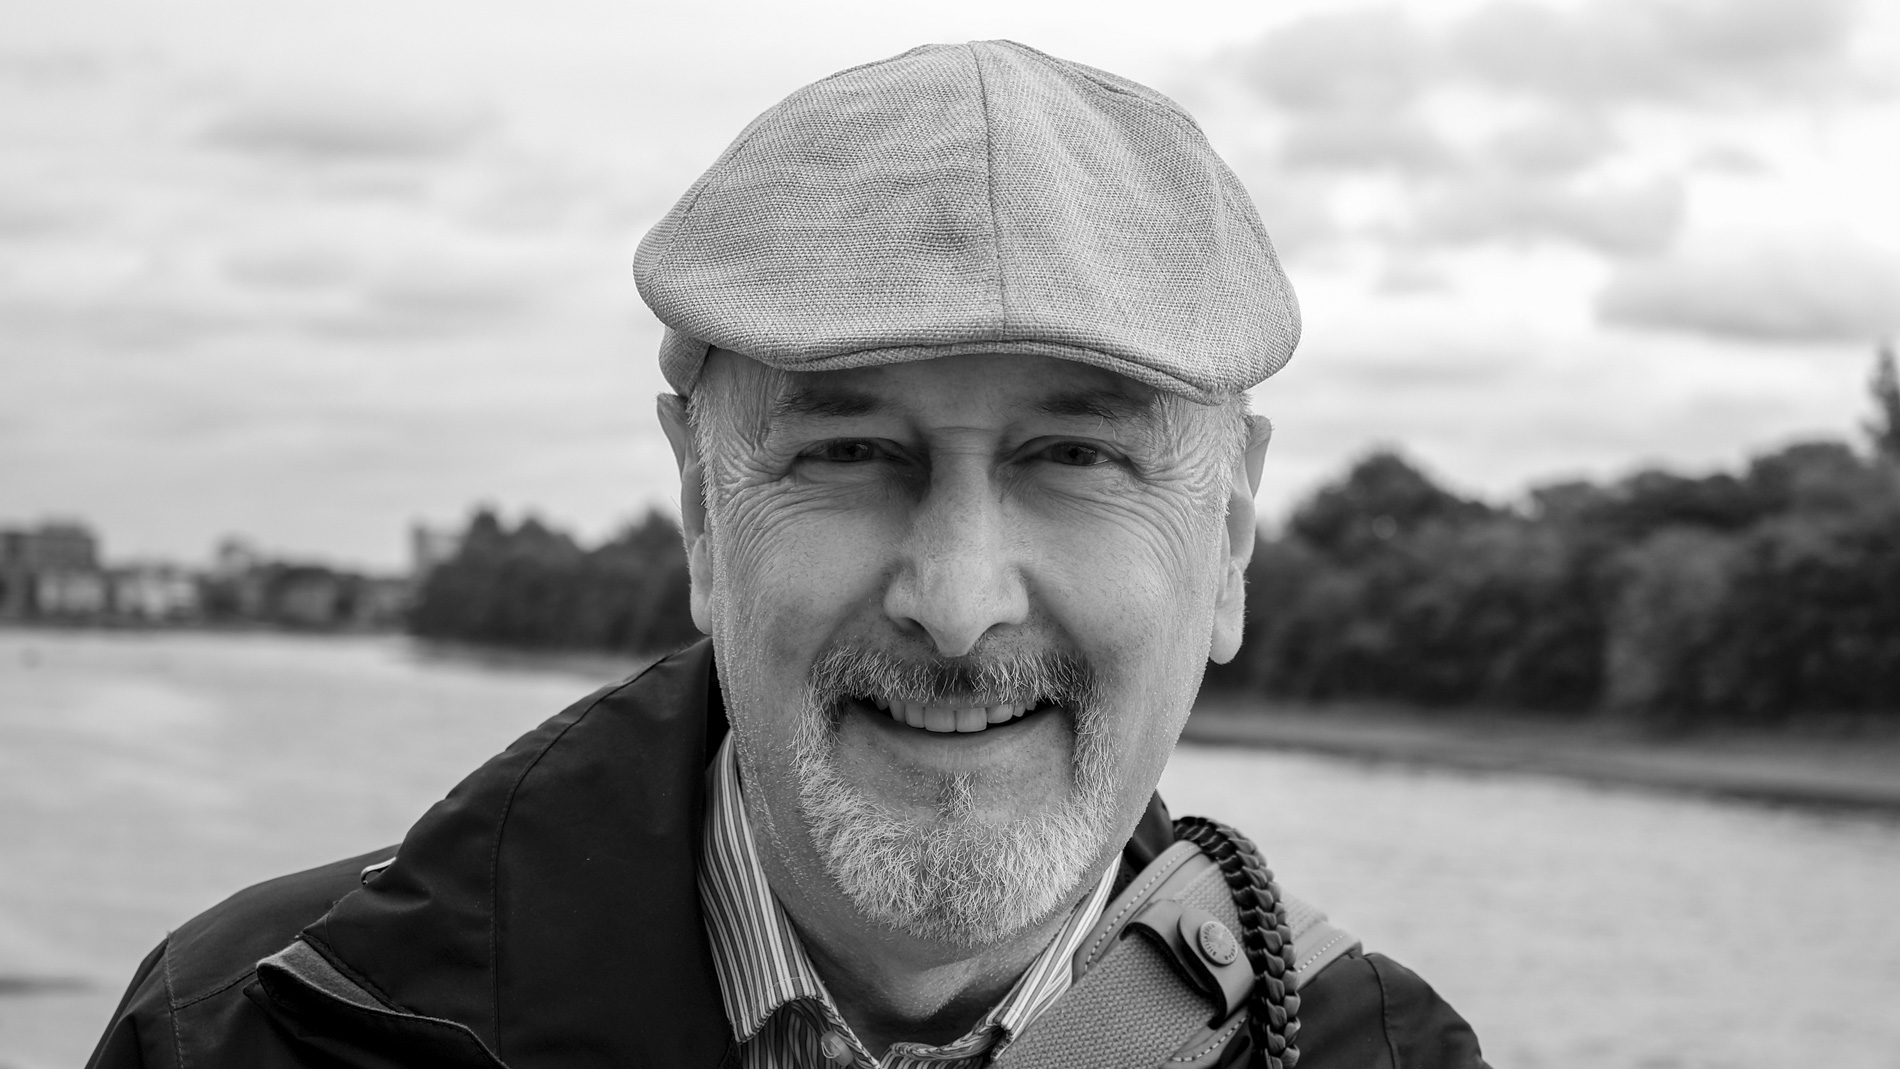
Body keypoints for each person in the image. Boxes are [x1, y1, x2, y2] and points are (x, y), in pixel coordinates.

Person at [87, 41, 1487, 1069]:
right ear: (705, 510)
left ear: (1229, 537)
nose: (956, 604)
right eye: (850, 453)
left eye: (1074, 457)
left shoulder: (1390, 1058)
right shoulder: (240, 1037)